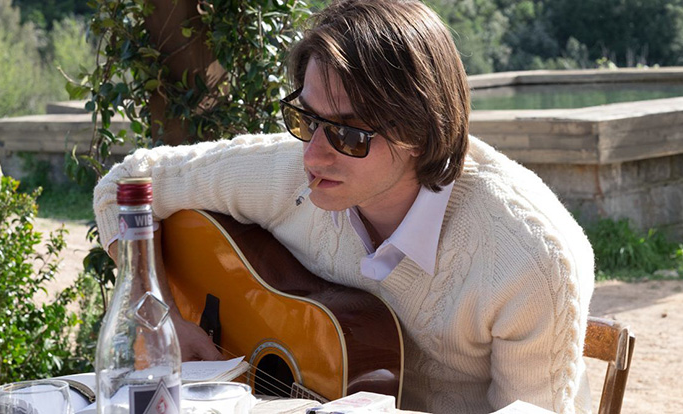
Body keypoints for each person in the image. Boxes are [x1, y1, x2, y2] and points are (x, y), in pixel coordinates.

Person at [93, 0, 595, 413]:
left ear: (421, 132)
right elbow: (122, 187)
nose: (313, 155)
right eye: (307, 119)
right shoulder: (291, 172)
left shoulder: (530, 260)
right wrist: (165, 320)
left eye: (348, 133)